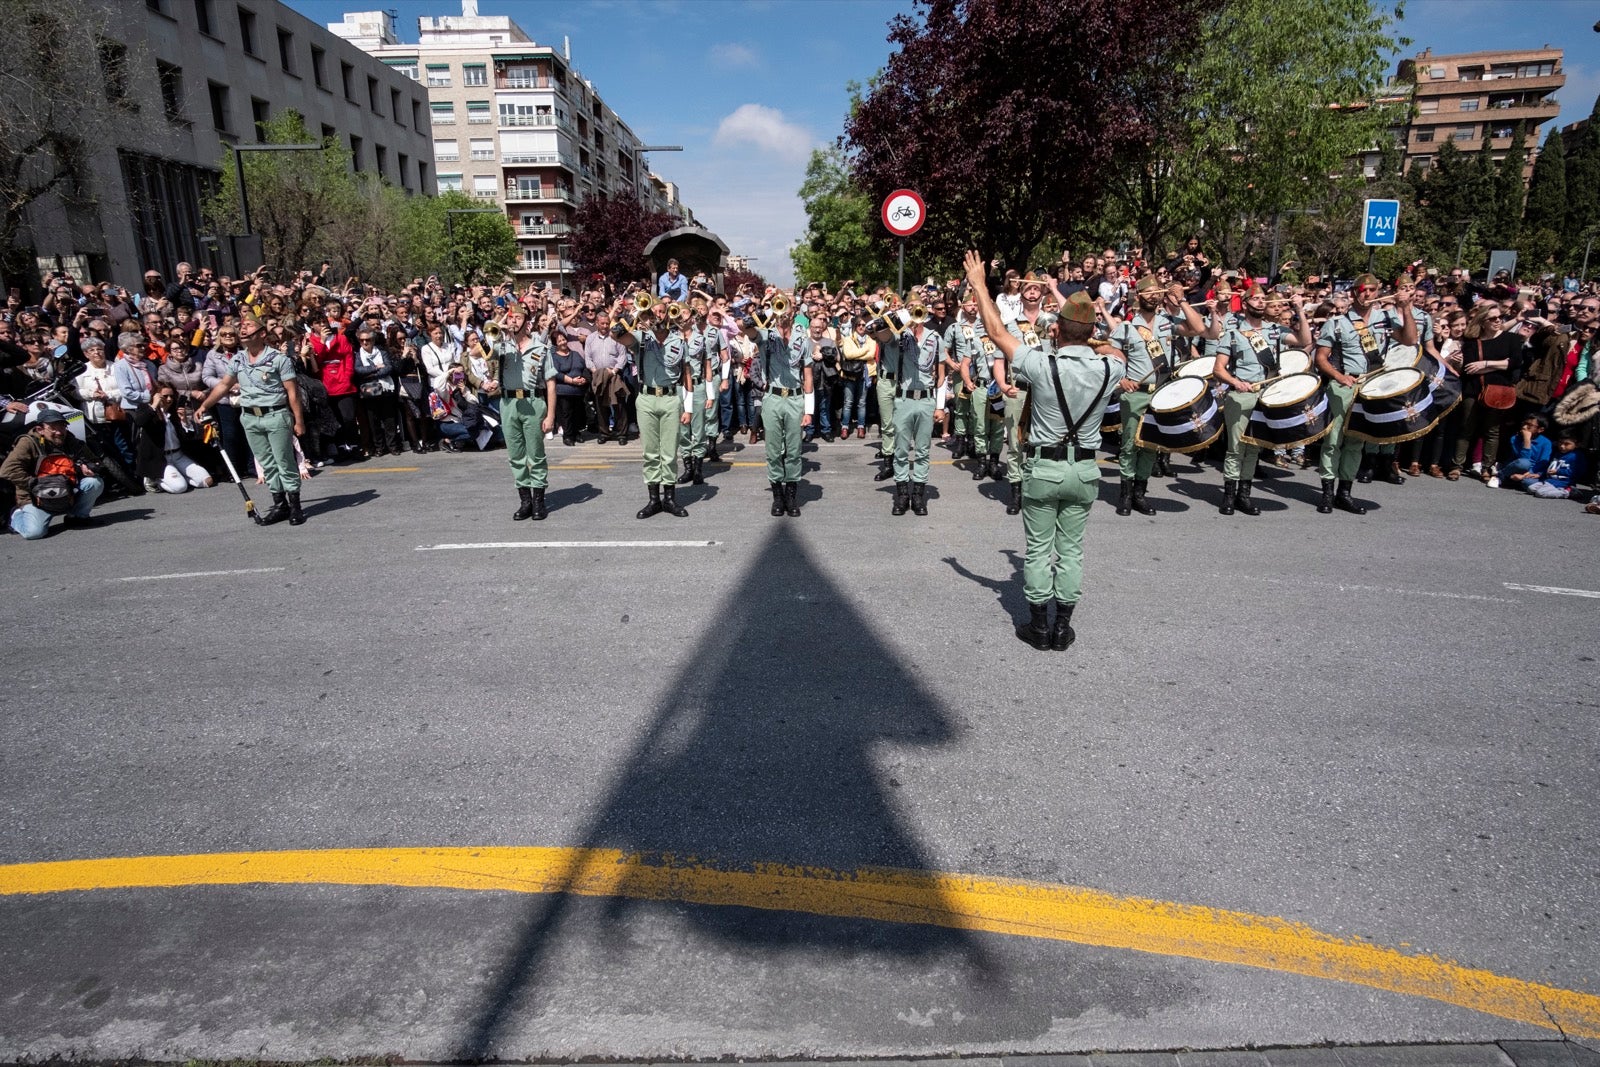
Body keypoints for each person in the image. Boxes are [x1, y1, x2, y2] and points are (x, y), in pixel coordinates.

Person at [965, 251, 1116, 651]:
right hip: (1085, 471)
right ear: (1091, 330)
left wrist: (981, 286)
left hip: (1045, 468)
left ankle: (1038, 627)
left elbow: (997, 334)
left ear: (1057, 329)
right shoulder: (1109, 368)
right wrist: (1090, 338)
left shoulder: (1041, 363)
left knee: (1037, 550)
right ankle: (1062, 627)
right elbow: (1117, 351)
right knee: (1071, 551)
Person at [1108, 275, 1221, 516]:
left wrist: (1181, 301)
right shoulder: (1127, 327)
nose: (1153, 296)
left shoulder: (1169, 323)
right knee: (1129, 445)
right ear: (1138, 296)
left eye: (1157, 292)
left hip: (1161, 393)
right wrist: (1121, 379)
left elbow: (1200, 329)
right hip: (1135, 394)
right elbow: (1107, 353)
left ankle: (1140, 492)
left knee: (1150, 445)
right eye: (1147, 292)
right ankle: (1125, 494)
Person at [1312, 273, 1418, 514]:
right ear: (1353, 293)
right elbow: (1321, 358)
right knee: (1333, 440)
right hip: (1343, 384)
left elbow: (1411, 339)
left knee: (1356, 441)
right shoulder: (1337, 323)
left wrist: (1406, 308)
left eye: (1371, 290)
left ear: (1378, 292)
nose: (1367, 294)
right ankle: (1327, 493)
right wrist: (1339, 377)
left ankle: (1345, 493)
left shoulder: (1386, 318)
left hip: (1372, 386)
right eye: (1362, 290)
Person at [196, 315, 308, 527]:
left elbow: (292, 393)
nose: (243, 330)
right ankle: (280, 505)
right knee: (267, 463)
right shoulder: (238, 359)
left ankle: (295, 506)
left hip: (275, 415)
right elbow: (223, 385)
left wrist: (299, 421)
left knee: (284, 461)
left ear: (262, 333)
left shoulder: (278, 359)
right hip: (250, 417)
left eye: (249, 326)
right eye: (242, 327)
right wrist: (205, 405)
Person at [1211, 285, 1313, 515]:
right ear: (1245, 303)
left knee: (1254, 447)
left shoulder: (1275, 330)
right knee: (1236, 448)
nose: (1260, 302)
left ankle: (1244, 496)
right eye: (1255, 299)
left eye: (1262, 299)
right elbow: (1218, 369)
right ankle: (1229, 495)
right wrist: (1236, 382)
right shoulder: (1233, 333)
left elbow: (1304, 339)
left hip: (1266, 395)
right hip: (1240, 395)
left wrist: (1300, 310)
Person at [743, 307, 813, 517]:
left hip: (795, 397)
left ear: (793, 313)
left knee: (793, 450)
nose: (784, 314)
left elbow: (808, 375)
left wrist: (808, 410)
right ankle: (777, 496)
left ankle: (791, 496)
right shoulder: (766, 335)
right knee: (773, 450)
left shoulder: (803, 339)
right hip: (772, 397)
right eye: (779, 308)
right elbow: (746, 328)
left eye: (786, 308)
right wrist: (765, 314)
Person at [625, 309, 692, 518]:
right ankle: (654, 499)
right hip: (647, 397)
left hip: (671, 397)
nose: (659, 315)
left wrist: (688, 407)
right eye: (654, 312)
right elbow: (618, 335)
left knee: (670, 451)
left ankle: (670, 499)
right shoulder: (641, 337)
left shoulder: (679, 340)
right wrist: (631, 315)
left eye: (663, 311)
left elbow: (687, 371)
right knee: (650, 452)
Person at [494, 307, 556, 521]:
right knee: (516, 455)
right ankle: (525, 501)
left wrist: (551, 416)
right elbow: (476, 351)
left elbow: (550, 384)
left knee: (536, 454)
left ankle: (539, 500)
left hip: (533, 401)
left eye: (518, 317)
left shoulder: (541, 347)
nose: (514, 321)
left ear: (527, 322)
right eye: (511, 318)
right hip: (509, 402)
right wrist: (497, 324)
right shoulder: (503, 346)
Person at [2, 408, 105, 538]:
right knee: (34, 533)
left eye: (62, 427)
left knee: (94, 482)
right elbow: (7, 470)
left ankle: (77, 517)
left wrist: (88, 468)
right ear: (40, 429)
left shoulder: (70, 439)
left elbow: (95, 461)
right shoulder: (28, 442)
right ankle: (16, 516)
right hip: (35, 496)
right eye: (53, 428)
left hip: (65, 490)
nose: (59, 432)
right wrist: (33, 483)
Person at [887, 302, 943, 517]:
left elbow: (941, 373)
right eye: (910, 309)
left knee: (922, 449)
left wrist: (940, 406)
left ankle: (918, 493)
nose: (915, 313)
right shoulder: (899, 335)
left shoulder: (934, 337)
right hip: (904, 399)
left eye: (918, 309)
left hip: (926, 399)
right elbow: (878, 333)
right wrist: (896, 318)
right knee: (901, 449)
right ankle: (902, 493)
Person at [1520, 432, 1586, 498]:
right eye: (1560, 443)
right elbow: (1550, 467)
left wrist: (1558, 471)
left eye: (1566, 444)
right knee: (1530, 489)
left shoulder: (1577, 456)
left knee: (1540, 493)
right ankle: (1552, 489)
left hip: (1563, 483)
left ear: (1577, 445)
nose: (1562, 446)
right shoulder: (1557, 454)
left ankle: (1568, 492)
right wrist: (1539, 474)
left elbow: (1577, 472)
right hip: (1549, 480)